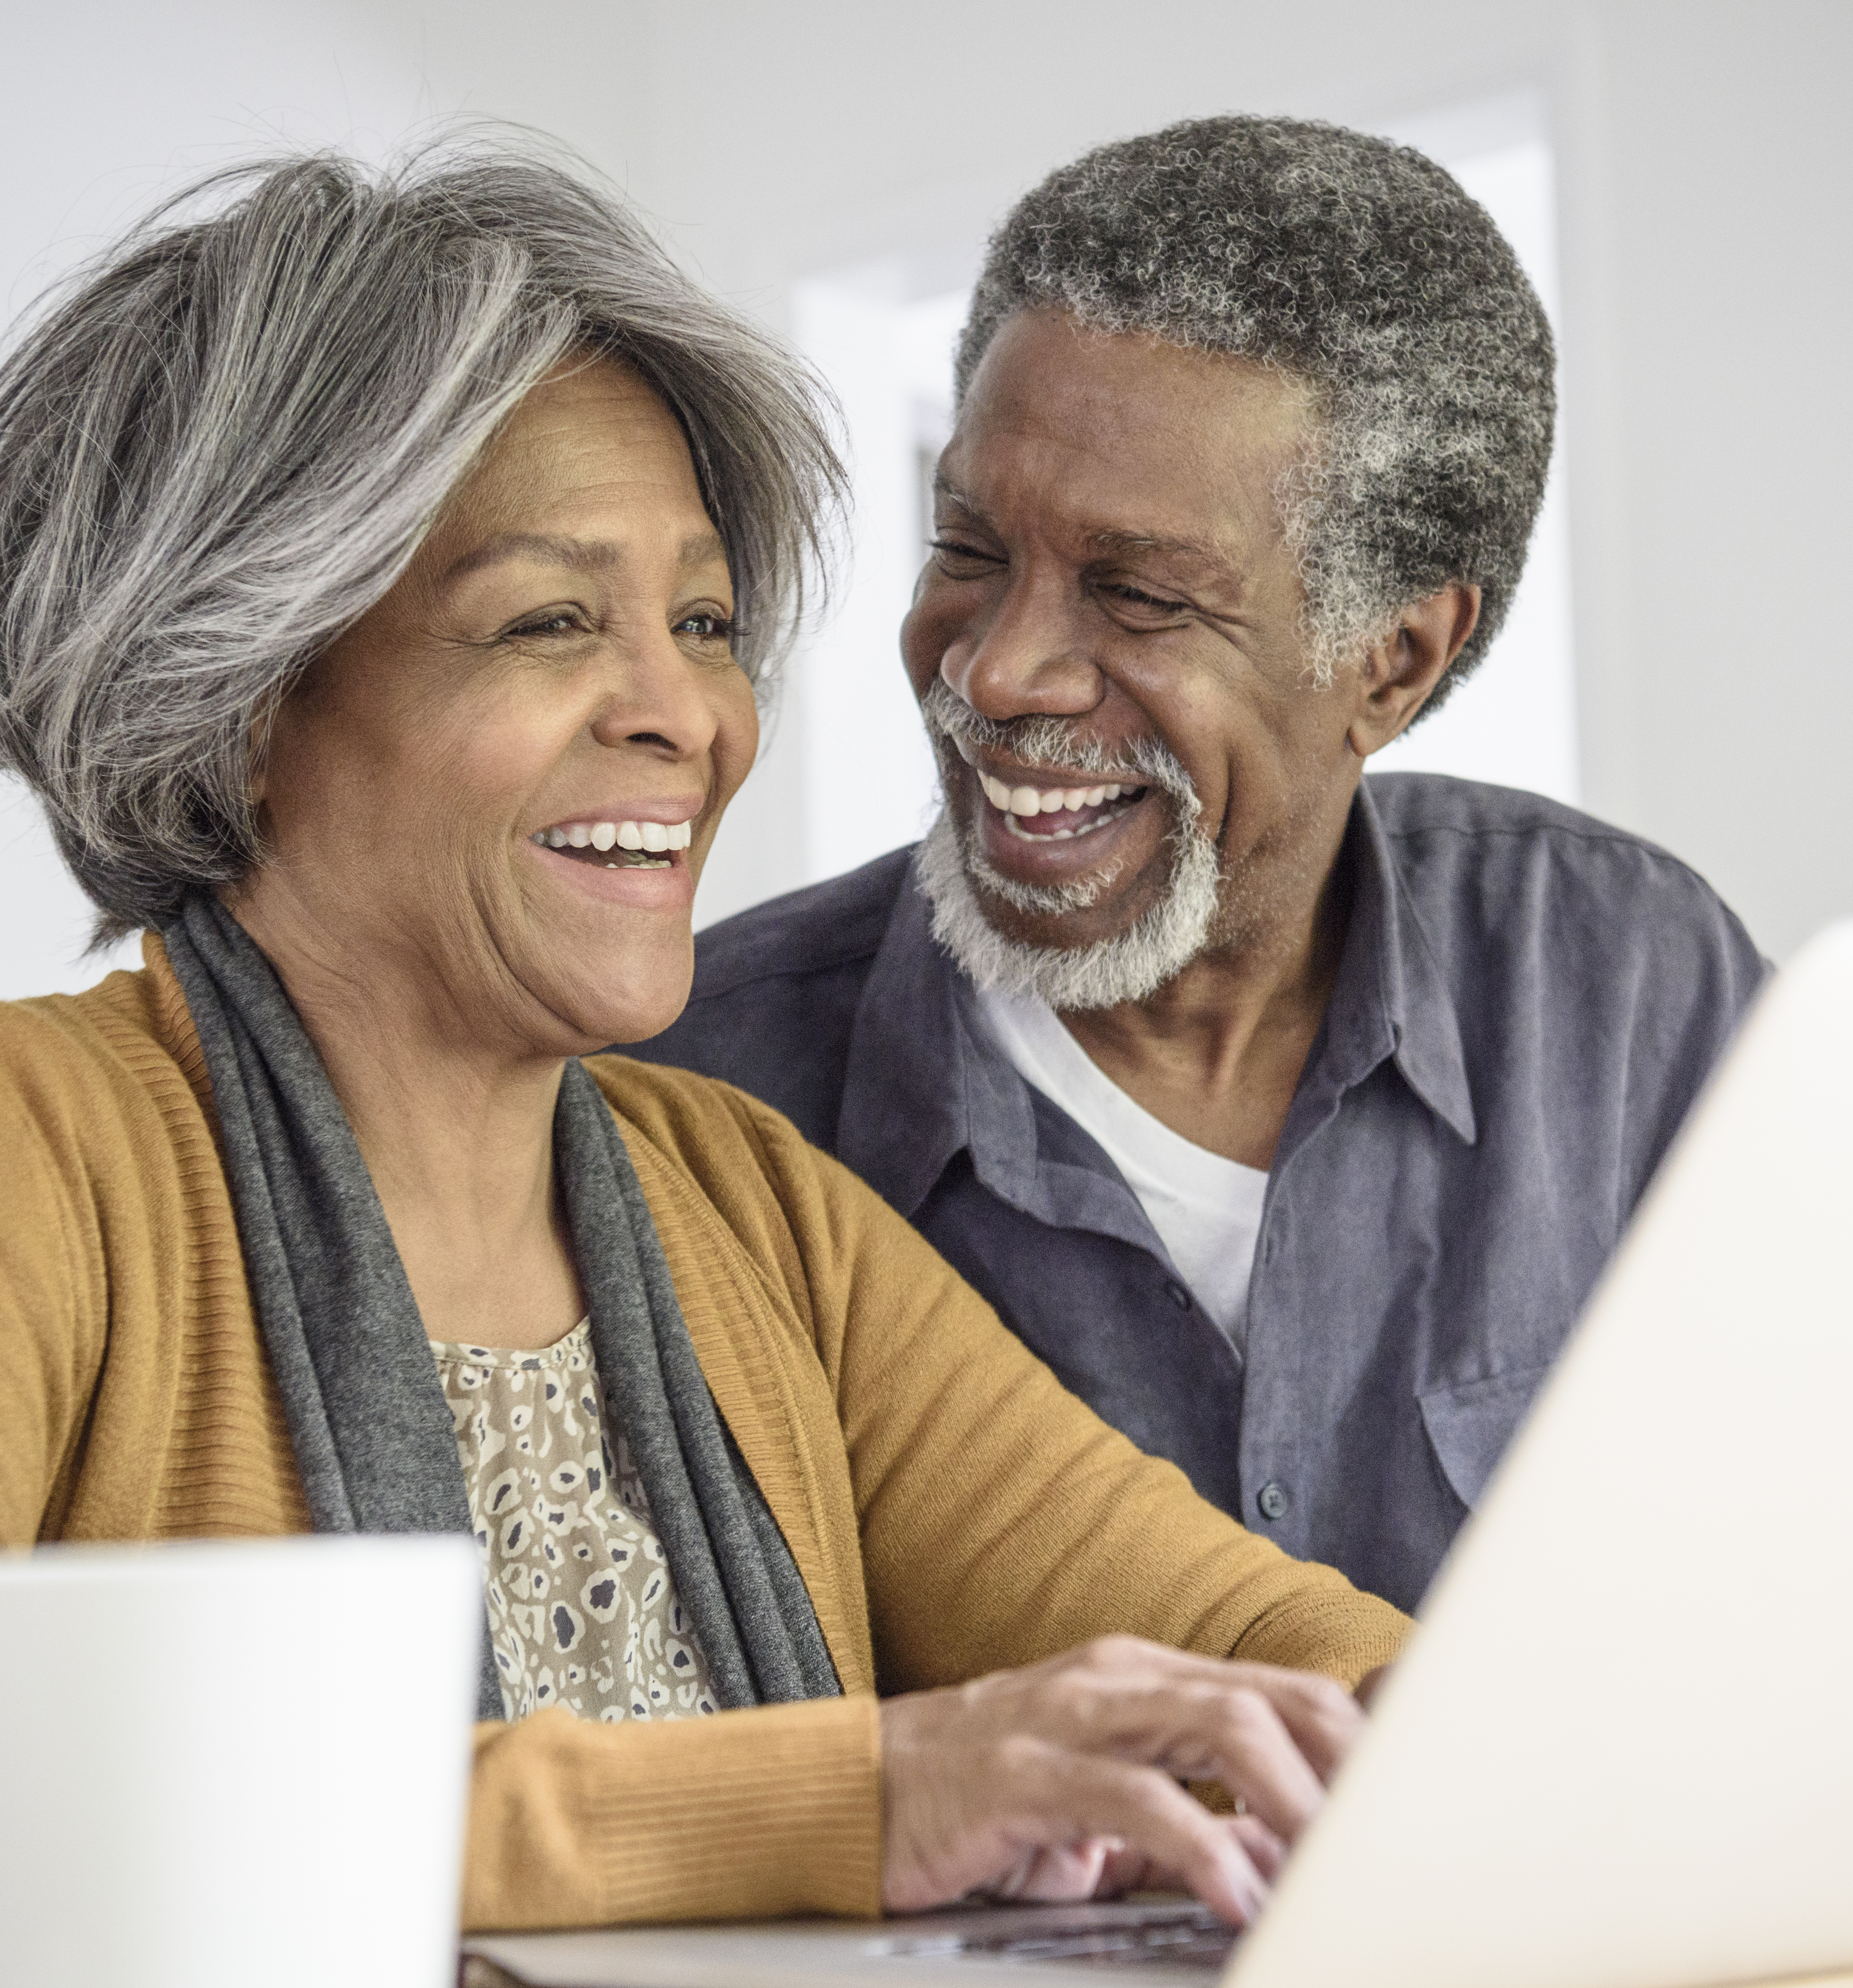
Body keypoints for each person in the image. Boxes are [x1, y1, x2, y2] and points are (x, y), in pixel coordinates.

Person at [0, 142, 1408, 1988]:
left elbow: (1296, 1669)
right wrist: (849, 1798)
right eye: (552, 621)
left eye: (703, 624)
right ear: (244, 686)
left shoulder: (752, 1209)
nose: (686, 717)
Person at [629, 115, 1765, 1612]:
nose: (998, 667)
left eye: (1140, 595)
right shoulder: (693, 1093)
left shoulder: (1630, 985)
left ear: (1396, 660)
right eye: (968, 546)